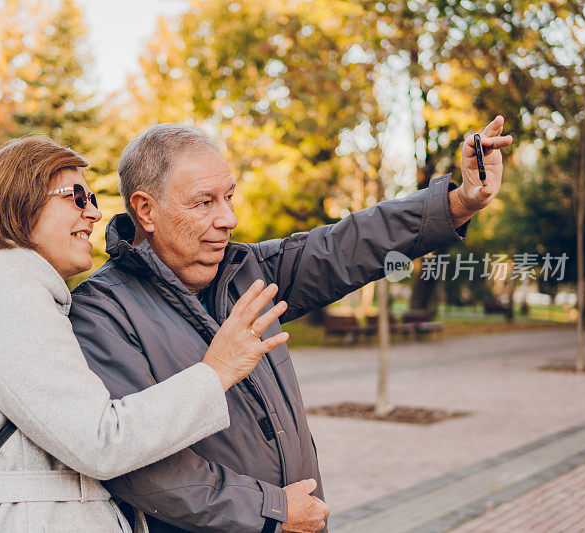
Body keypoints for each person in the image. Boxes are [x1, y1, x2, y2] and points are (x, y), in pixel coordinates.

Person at [68, 118, 513, 532]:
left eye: (229, 196)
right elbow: (143, 470)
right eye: (206, 202)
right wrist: (272, 512)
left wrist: (457, 202)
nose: (228, 219)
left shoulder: (246, 270)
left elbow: (348, 245)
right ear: (146, 210)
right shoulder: (102, 313)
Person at [0, 135, 291, 532]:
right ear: (20, 202)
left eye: (94, 199)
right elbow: (101, 441)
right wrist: (217, 371)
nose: (95, 214)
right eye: (76, 197)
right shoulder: (4, 297)